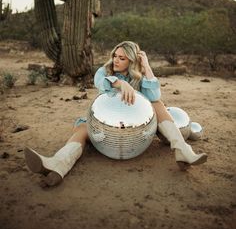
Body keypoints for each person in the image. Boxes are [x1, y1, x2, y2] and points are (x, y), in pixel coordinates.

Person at [24, 41, 207, 186]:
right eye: (115, 56)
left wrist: (147, 67)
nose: (116, 60)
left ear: (132, 61)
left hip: (139, 129)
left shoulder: (139, 77)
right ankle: (58, 164)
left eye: (122, 58)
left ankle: (182, 149)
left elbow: (155, 95)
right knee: (81, 129)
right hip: (103, 124)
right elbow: (99, 81)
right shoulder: (106, 71)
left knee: (157, 103)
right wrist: (119, 83)